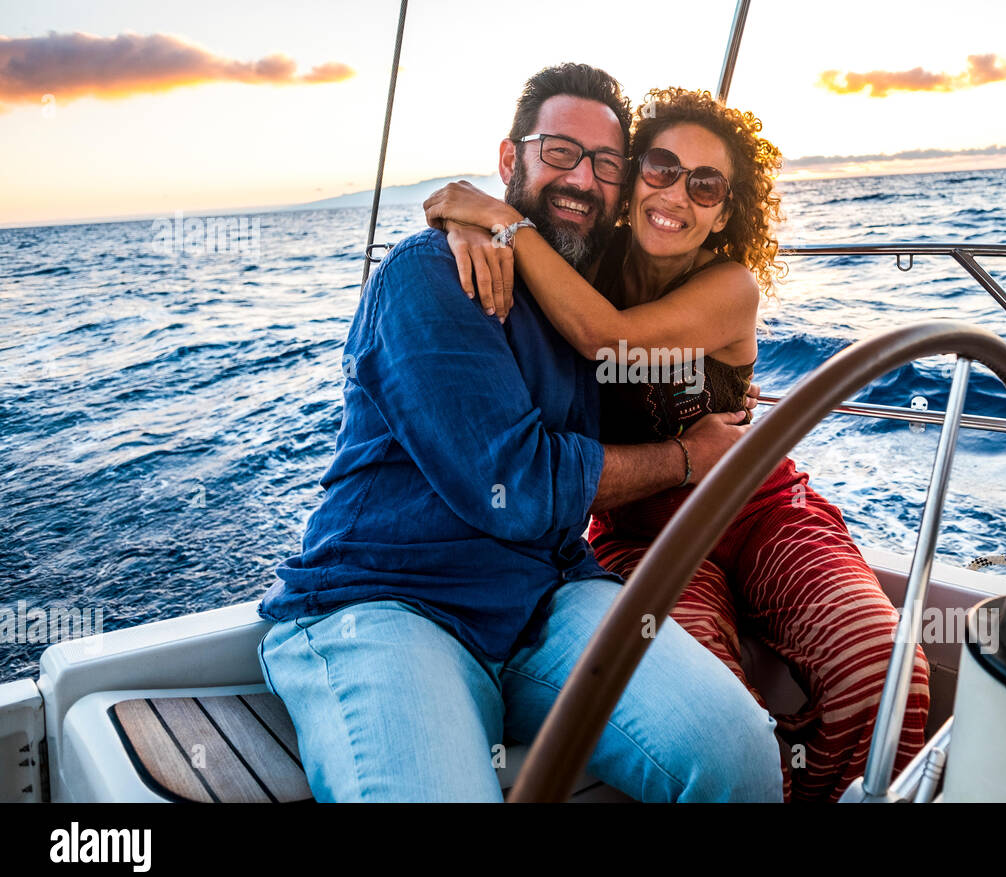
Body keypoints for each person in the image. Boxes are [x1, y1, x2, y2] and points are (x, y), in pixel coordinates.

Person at [255, 64, 784, 802]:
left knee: (739, 753)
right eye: (560, 152)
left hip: (547, 593)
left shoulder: (582, 289)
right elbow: (519, 484)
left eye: (606, 164)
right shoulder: (431, 275)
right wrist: (684, 457)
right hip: (389, 601)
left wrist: (480, 214)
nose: (583, 180)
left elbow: (626, 335)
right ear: (511, 161)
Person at [423, 86, 931, 802]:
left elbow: (605, 337)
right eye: (660, 168)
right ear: (631, 181)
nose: (677, 194)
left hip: (762, 512)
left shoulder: (730, 287)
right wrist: (465, 226)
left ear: (726, 210)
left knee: (884, 662)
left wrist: (501, 223)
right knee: (706, 705)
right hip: (639, 535)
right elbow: (485, 228)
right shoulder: (576, 266)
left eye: (706, 183)